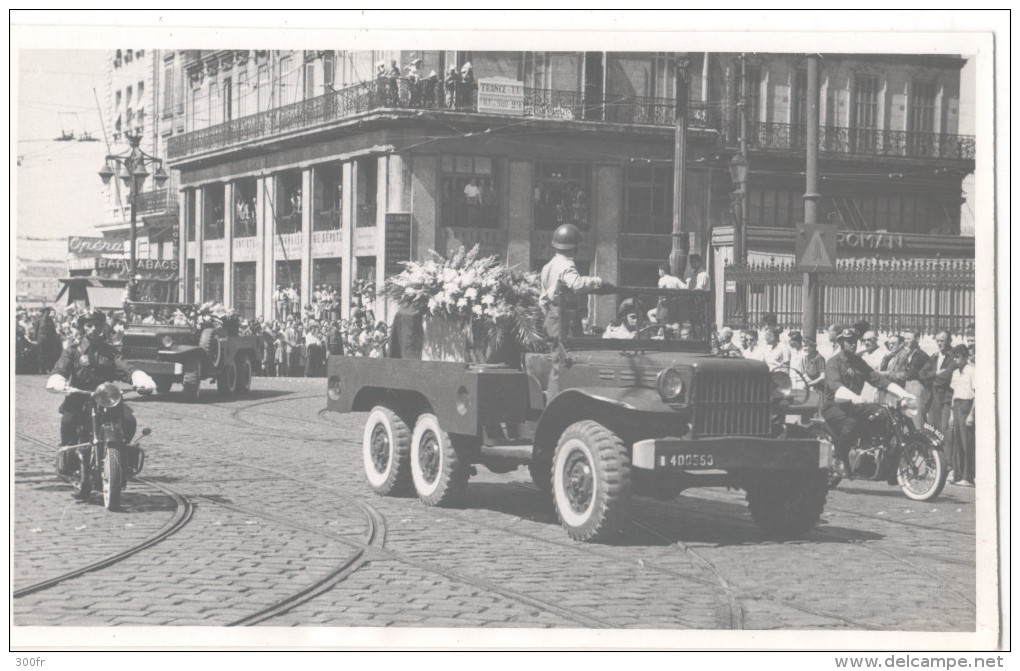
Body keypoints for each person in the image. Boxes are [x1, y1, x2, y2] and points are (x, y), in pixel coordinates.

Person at [46, 310, 155, 473]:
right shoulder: (73, 351)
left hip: (106, 396)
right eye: (89, 325)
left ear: (102, 327)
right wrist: (58, 380)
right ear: (82, 328)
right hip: (79, 394)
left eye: (97, 325)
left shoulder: (110, 351)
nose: (94, 329)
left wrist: (137, 377)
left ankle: (121, 455)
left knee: (128, 420)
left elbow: (124, 367)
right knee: (68, 421)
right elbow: (61, 367)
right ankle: (69, 457)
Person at [821, 328, 915, 480]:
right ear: (841, 342)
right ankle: (838, 459)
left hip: (852, 406)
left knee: (883, 413)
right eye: (849, 341)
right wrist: (856, 398)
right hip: (834, 406)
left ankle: (873, 457)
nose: (853, 344)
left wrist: (903, 394)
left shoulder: (858, 362)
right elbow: (836, 388)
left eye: (854, 341)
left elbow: (878, 379)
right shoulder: (833, 363)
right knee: (852, 422)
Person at [539, 223, 605, 340]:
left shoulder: (547, 266)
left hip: (552, 317)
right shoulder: (567, 264)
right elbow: (577, 284)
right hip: (565, 318)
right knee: (572, 353)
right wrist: (597, 281)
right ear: (575, 247)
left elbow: (543, 300)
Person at [919, 330, 954, 438]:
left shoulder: (953, 356)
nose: (939, 343)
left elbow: (946, 377)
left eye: (942, 341)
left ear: (949, 341)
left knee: (944, 429)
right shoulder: (935, 356)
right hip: (933, 397)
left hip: (946, 397)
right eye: (937, 341)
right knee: (932, 427)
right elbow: (921, 374)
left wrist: (931, 379)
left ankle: (945, 454)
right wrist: (936, 373)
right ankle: (935, 453)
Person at [948, 344, 975, 486]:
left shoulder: (971, 371)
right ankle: (957, 474)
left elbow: (976, 394)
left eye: (958, 357)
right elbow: (954, 393)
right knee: (956, 442)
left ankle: (968, 476)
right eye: (954, 357)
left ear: (965, 357)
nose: (955, 360)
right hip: (957, 406)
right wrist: (951, 415)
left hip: (966, 406)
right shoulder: (955, 372)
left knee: (967, 443)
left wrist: (971, 414)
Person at [900, 331, 931, 429]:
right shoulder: (906, 354)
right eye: (905, 339)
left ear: (916, 339)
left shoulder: (921, 355)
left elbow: (925, 373)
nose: (906, 341)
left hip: (916, 386)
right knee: (907, 415)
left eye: (909, 339)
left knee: (917, 417)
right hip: (907, 386)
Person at [859, 331, 886, 402]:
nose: (866, 343)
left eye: (869, 340)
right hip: (863, 391)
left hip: (875, 392)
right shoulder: (863, 355)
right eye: (864, 340)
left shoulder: (883, 354)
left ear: (876, 340)